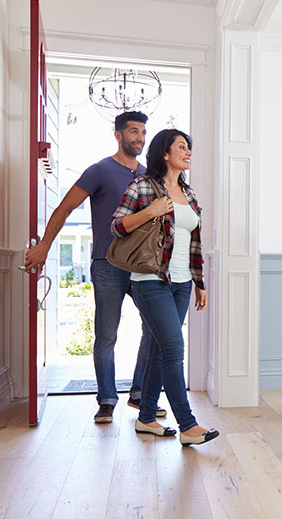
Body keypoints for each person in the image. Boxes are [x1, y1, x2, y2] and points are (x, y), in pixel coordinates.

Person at [24, 111, 166, 423]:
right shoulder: (100, 171)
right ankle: (106, 399)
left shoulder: (148, 176)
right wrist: (45, 245)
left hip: (143, 268)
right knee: (106, 335)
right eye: (133, 131)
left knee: (155, 329)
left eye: (143, 132)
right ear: (118, 135)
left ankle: (141, 393)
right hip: (107, 264)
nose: (140, 138)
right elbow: (64, 208)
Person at [110, 128, 219, 446]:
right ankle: (187, 426)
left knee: (159, 350)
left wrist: (200, 283)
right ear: (165, 153)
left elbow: (195, 242)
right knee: (173, 350)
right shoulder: (143, 186)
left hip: (183, 283)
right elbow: (116, 225)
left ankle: (146, 419)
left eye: (190, 147)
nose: (188, 153)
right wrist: (150, 210)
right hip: (151, 281)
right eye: (182, 147)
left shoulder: (190, 193)